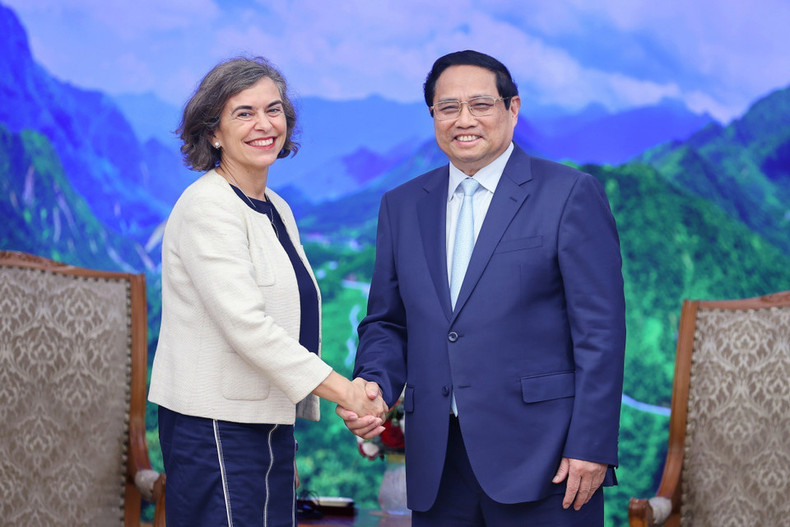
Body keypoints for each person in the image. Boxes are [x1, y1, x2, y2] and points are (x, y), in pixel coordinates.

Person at [338, 50, 626, 526]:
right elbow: (388, 322)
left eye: (480, 105)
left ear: (513, 109)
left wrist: (591, 445)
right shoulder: (402, 205)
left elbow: (601, 333)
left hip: (546, 460)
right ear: (433, 115)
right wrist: (375, 386)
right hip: (436, 463)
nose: (464, 120)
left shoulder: (569, 194)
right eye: (448, 107)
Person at [148, 56, 387, 527]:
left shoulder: (275, 207)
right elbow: (249, 328)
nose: (265, 124)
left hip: (266, 424)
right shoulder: (207, 207)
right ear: (213, 132)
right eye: (244, 113)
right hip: (215, 428)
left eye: (273, 110)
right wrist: (348, 392)